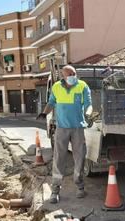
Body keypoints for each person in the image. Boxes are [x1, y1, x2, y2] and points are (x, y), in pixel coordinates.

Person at [36, 65, 92, 204]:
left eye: (74, 73)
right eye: (70, 73)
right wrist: (44, 113)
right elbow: (51, 102)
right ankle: (55, 190)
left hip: (78, 128)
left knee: (79, 157)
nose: (74, 75)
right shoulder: (56, 87)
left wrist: (89, 114)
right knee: (59, 158)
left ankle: (79, 186)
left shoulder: (82, 85)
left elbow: (88, 104)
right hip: (62, 128)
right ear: (63, 76)